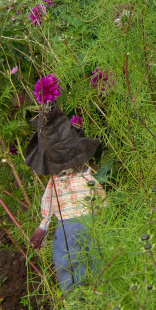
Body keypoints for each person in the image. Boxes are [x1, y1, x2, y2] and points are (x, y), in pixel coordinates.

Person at [26, 105, 105, 292]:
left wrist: (43, 226)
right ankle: (100, 292)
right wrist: (104, 213)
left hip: (67, 227)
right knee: (97, 256)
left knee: (68, 261)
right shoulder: (86, 175)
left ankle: (74, 299)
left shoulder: (55, 183)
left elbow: (48, 204)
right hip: (92, 221)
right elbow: (100, 195)